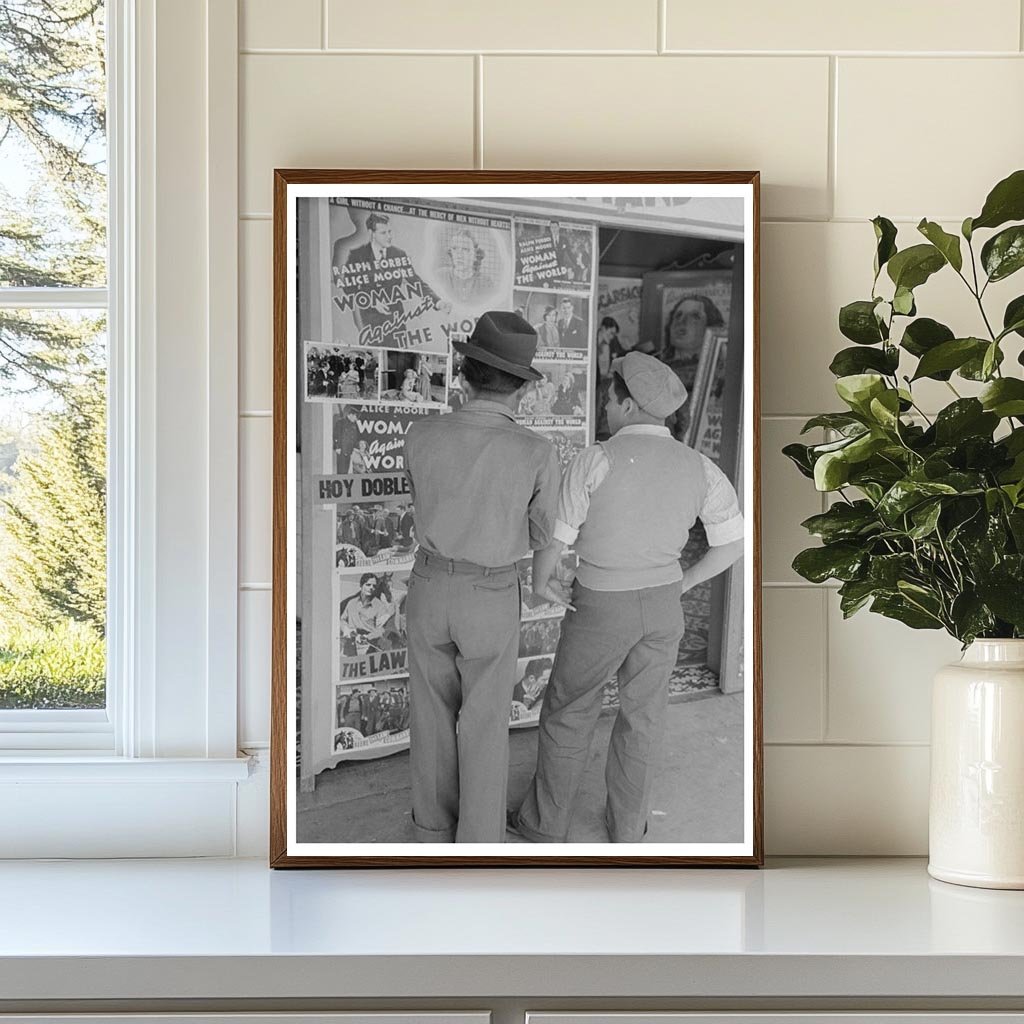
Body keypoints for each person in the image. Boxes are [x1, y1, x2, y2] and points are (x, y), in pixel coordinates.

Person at [510, 351, 744, 844]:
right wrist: (684, 582)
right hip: (662, 606)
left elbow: (558, 537)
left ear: (629, 404)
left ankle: (545, 824)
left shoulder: (597, 457)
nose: (606, 410)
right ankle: (628, 828)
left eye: (611, 400)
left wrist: (542, 580)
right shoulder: (700, 467)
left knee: (570, 709)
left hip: (600, 606)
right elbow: (732, 543)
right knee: (643, 717)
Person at [403, 311, 561, 843]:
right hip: (492, 591)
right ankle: (478, 840)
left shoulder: (419, 434)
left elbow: (424, 501)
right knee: (485, 720)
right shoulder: (536, 451)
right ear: (522, 386)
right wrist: (542, 585)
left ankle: (431, 830)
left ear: (466, 371)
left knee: (430, 714)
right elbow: (543, 535)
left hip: (428, 585)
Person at [339, 213, 450, 335]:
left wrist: (437, 302)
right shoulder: (357, 255)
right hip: (371, 322)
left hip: (397, 321)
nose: (389, 237)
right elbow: (348, 287)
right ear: (372, 233)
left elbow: (415, 281)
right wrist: (372, 301)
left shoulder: (399, 254)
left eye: (390, 232)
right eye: (383, 233)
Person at [437, 228, 495, 304]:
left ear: (475, 254)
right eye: (455, 248)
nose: (459, 255)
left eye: (465, 249)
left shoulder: (486, 282)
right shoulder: (440, 275)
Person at [339, 573, 392, 647]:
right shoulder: (351, 603)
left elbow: (382, 630)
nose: (371, 588)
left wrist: (367, 637)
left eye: (374, 586)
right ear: (361, 585)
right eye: (368, 585)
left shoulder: (380, 606)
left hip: (369, 645)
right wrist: (346, 629)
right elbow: (342, 620)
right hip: (350, 645)